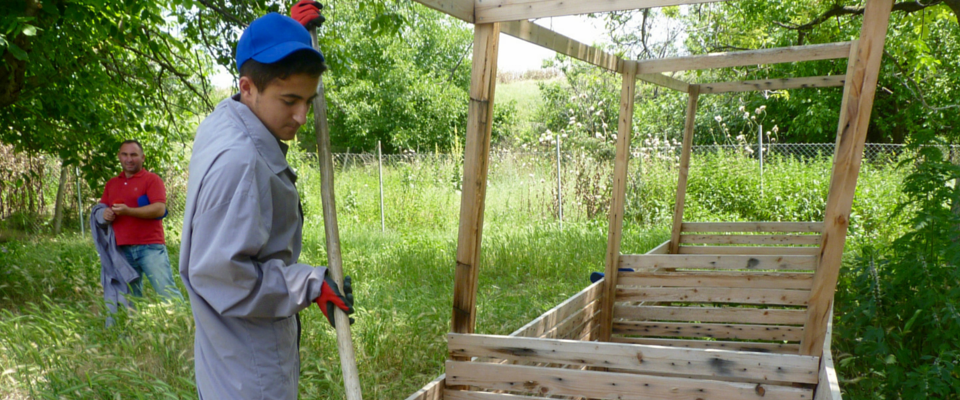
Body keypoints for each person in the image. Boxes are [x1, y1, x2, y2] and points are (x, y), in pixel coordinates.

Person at [179, 5, 355, 399]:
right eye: (290, 100)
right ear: (247, 87)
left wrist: (291, 35)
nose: (302, 116)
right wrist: (310, 282)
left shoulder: (227, 118)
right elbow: (224, 277)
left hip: (231, 357)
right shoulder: (240, 162)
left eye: (309, 100)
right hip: (249, 370)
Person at [98, 140, 183, 302]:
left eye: (133, 155)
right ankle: (134, 326)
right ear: (119, 156)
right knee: (129, 298)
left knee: (167, 292)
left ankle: (183, 324)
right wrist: (105, 214)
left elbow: (159, 209)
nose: (129, 159)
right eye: (125, 154)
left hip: (150, 247)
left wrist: (128, 211)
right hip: (121, 249)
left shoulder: (152, 179)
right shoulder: (112, 183)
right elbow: (101, 210)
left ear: (142, 157)